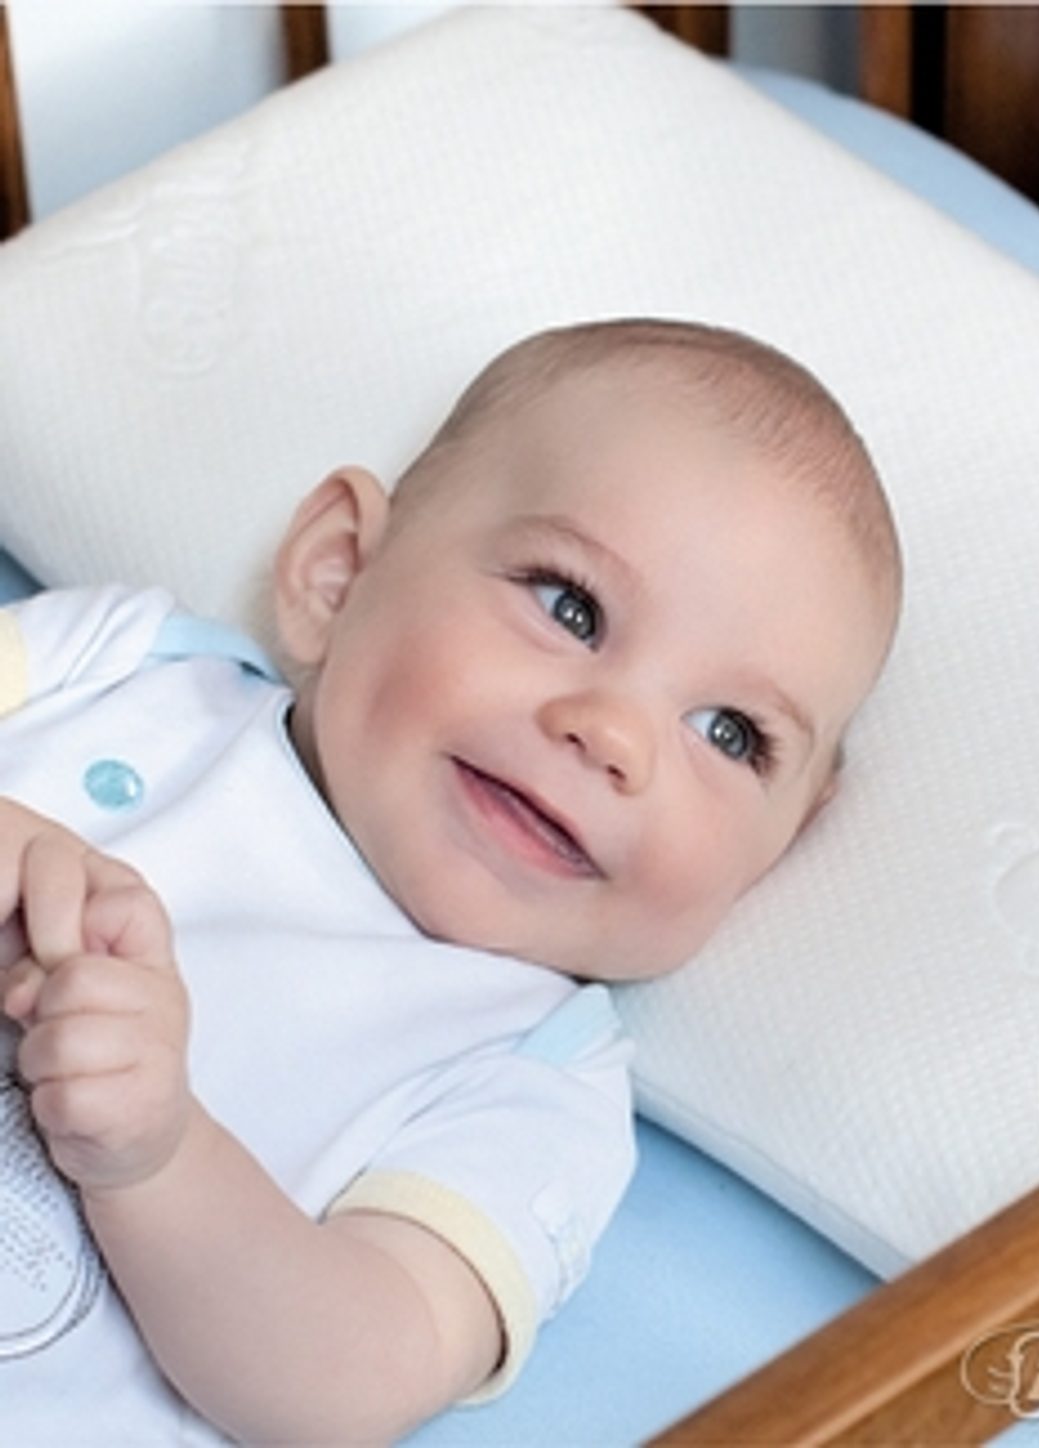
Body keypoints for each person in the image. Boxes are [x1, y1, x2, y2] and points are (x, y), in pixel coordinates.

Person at [0, 318, 902, 1443]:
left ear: (781, 846)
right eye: (570, 607)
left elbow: (347, 1381)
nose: (615, 735)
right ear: (339, 572)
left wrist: (160, 1157)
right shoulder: (118, 665)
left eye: (729, 733)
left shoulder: (537, 1083)